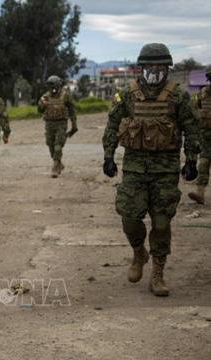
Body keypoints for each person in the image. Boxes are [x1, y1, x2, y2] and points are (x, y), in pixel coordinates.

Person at [102, 43, 200, 297]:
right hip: (134, 169)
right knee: (130, 218)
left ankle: (158, 272)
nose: (155, 70)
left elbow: (191, 127)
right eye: (150, 66)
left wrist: (191, 160)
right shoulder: (128, 95)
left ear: (167, 68)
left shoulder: (178, 96)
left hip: (165, 171)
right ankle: (138, 252)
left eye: (160, 66)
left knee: (161, 222)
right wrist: (108, 156)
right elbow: (113, 125)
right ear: (141, 68)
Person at [37, 75, 77, 178]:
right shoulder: (45, 96)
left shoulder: (65, 95)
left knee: (58, 145)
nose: (52, 89)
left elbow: (72, 110)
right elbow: (39, 110)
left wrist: (74, 125)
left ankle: (55, 168)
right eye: (50, 86)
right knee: (50, 145)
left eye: (53, 86)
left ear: (58, 85)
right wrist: (42, 105)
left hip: (61, 124)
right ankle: (59, 163)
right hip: (49, 124)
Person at [188, 65, 211, 204]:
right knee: (203, 164)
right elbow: (194, 109)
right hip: (206, 136)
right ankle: (200, 193)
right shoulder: (203, 93)